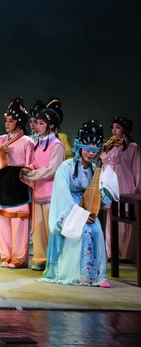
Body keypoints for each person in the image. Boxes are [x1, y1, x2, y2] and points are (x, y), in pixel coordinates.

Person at [40, 119, 119, 288]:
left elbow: (104, 193)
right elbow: (62, 194)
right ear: (79, 146)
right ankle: (74, 274)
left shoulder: (94, 169)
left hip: (88, 208)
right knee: (82, 231)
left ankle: (97, 276)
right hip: (71, 209)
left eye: (94, 151)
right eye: (88, 149)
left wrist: (105, 165)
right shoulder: (66, 167)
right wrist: (79, 215)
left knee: (96, 229)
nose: (91, 154)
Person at [0, 97, 35, 269]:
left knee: (19, 224)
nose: (7, 124)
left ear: (19, 122)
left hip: (18, 183)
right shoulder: (0, 140)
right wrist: (1, 152)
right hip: (3, 182)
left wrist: (26, 173)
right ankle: (6, 255)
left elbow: (31, 164)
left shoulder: (28, 141)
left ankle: (19, 258)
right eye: (6, 120)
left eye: (11, 121)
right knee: (3, 223)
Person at [22, 107, 64, 271]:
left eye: (41, 123)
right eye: (37, 123)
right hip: (38, 191)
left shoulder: (57, 145)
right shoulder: (39, 143)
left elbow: (52, 169)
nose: (37, 126)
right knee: (38, 228)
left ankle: (53, 260)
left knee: (50, 228)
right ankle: (40, 258)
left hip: (51, 193)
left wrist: (32, 174)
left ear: (51, 125)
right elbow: (35, 163)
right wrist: (28, 169)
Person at [102, 116, 140, 262]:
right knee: (112, 221)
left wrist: (135, 192)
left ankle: (127, 254)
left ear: (125, 129)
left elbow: (138, 171)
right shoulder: (111, 148)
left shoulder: (133, 148)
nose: (114, 130)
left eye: (117, 127)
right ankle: (113, 253)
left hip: (127, 189)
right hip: (113, 189)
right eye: (113, 127)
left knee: (126, 224)